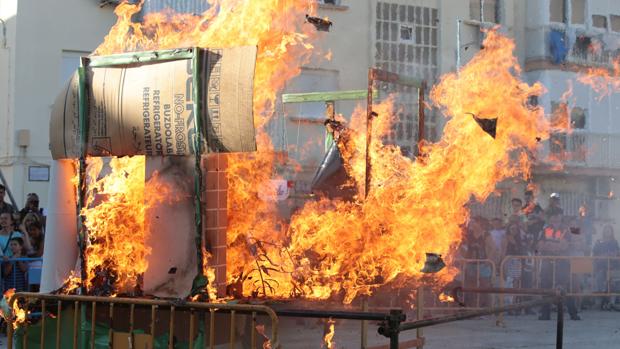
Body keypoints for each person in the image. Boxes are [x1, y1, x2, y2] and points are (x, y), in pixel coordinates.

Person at [537, 213, 580, 320]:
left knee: (564, 287)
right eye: (552, 215)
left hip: (562, 262)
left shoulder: (566, 230)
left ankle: (573, 313)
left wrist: (549, 245)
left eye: (556, 215)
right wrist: (554, 246)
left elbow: (563, 246)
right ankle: (545, 314)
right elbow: (540, 246)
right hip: (547, 261)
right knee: (545, 286)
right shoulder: (545, 229)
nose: (555, 218)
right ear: (550, 218)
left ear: (560, 217)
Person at [592, 225, 620, 310]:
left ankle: (612, 303)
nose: (607, 232)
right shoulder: (598, 242)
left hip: (612, 267)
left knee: (614, 283)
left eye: (609, 230)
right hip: (600, 267)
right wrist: (602, 256)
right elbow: (594, 254)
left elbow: (617, 253)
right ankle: (598, 303)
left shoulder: (614, 242)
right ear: (603, 232)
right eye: (606, 230)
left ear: (612, 232)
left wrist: (612, 254)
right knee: (598, 282)